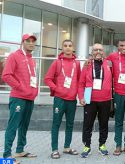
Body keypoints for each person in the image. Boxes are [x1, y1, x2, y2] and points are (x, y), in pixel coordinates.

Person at [2, 34, 39, 164]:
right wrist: (20, 87)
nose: (31, 43)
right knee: (13, 126)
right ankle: (6, 155)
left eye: (33, 41)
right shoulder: (14, 56)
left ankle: (20, 150)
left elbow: (32, 77)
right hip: (18, 98)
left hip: (30, 98)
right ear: (22, 42)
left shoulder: (31, 59)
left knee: (24, 125)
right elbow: (6, 75)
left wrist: (34, 91)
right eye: (28, 41)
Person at [44, 40, 81, 159]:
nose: (68, 48)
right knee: (56, 124)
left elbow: (80, 82)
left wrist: (80, 96)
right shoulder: (56, 62)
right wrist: (57, 89)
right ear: (62, 48)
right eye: (65, 46)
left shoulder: (77, 64)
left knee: (70, 124)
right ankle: (54, 149)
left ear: (73, 48)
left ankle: (67, 147)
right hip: (59, 99)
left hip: (72, 100)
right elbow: (47, 79)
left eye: (70, 46)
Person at [78, 43, 112, 158]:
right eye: (95, 49)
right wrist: (81, 97)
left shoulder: (109, 64)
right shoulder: (87, 64)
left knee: (104, 124)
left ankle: (102, 145)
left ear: (103, 52)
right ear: (92, 52)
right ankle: (87, 145)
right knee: (87, 124)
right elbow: (81, 83)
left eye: (100, 50)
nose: (98, 51)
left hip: (105, 98)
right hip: (89, 97)